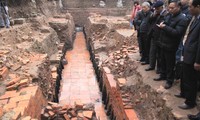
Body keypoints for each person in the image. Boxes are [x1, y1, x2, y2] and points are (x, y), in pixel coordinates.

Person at [155, 0, 187, 89]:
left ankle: (169, 81)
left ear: (178, 7)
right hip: (163, 42)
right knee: (162, 61)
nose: (170, 9)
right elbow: (166, 22)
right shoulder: (169, 15)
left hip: (171, 45)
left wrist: (165, 27)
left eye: (172, 8)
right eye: (169, 7)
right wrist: (163, 24)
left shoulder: (182, 19)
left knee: (170, 64)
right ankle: (162, 75)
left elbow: (177, 33)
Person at [178, 0, 200, 110]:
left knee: (191, 80)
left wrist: (198, 61)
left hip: (193, 57)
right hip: (187, 53)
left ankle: (190, 102)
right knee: (186, 77)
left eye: (191, 7)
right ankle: (185, 95)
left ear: (198, 7)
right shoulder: (195, 18)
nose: (189, 8)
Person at [145, 1, 168, 72]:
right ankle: (151, 65)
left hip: (161, 37)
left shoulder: (166, 14)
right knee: (152, 51)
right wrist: (154, 15)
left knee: (159, 54)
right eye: (155, 9)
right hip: (154, 35)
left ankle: (159, 69)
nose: (156, 10)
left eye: (157, 9)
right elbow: (149, 20)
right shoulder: (155, 13)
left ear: (162, 7)